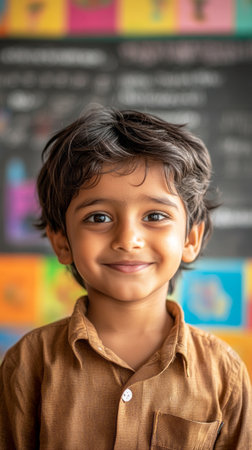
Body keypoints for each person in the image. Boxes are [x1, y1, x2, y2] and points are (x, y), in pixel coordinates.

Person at [0, 106, 251, 449]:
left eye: (155, 215)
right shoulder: (28, 365)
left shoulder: (225, 375)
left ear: (190, 238)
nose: (127, 239)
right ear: (62, 241)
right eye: (99, 218)